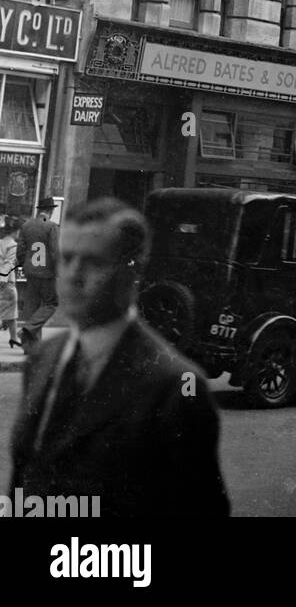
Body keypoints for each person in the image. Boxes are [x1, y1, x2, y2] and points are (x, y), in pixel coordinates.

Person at [9, 196, 229, 517]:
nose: (73, 274)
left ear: (132, 272)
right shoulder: (43, 358)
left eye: (93, 262)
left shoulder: (172, 385)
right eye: (67, 258)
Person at [17, 196, 59, 350]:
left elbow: (20, 250)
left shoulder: (26, 226)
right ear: (50, 211)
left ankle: (30, 348)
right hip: (46, 273)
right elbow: (55, 252)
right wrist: (57, 270)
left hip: (30, 272)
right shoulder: (51, 226)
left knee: (32, 307)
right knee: (51, 303)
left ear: (39, 210)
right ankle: (28, 329)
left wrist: (24, 265)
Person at [0, 219, 20, 348]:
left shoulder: (0, 242)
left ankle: (14, 337)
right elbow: (9, 263)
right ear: (16, 231)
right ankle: (14, 338)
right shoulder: (12, 245)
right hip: (6, 283)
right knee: (11, 311)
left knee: (11, 313)